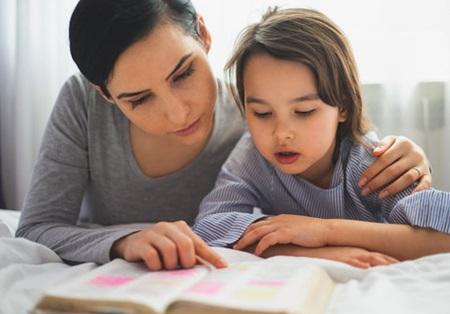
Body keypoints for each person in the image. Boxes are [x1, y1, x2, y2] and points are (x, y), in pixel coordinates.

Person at [17, 0, 431, 271]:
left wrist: (407, 156)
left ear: (204, 34)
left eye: (183, 74)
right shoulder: (82, 103)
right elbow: (38, 228)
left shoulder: (258, 114)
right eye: (139, 99)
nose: (179, 113)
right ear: (104, 93)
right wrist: (124, 240)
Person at [193, 7, 450, 269]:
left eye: (304, 112)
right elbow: (209, 227)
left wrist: (325, 231)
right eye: (262, 113)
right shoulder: (252, 157)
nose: (282, 133)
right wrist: (307, 252)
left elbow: (443, 237)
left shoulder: (370, 164)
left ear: (343, 106)